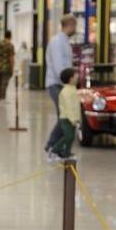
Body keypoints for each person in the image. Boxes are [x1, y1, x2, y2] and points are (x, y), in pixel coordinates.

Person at [44, 15, 77, 155]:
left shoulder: (65, 42)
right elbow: (59, 66)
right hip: (57, 84)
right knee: (64, 117)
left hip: (63, 84)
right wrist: (67, 83)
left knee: (64, 116)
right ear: (69, 25)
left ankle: (55, 146)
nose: (75, 29)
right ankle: (53, 145)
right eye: (74, 26)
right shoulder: (57, 42)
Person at [47, 68, 79, 162]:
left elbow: (75, 105)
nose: (77, 77)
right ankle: (53, 151)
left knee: (71, 137)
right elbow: (68, 107)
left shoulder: (73, 90)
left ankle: (66, 154)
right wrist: (72, 119)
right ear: (70, 78)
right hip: (66, 119)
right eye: (75, 75)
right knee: (68, 136)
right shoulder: (65, 92)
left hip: (73, 119)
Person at [0, 30, 15, 100]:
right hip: (6, 67)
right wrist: (12, 68)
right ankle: (2, 97)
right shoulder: (10, 45)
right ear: (10, 36)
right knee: (4, 83)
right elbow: (11, 58)